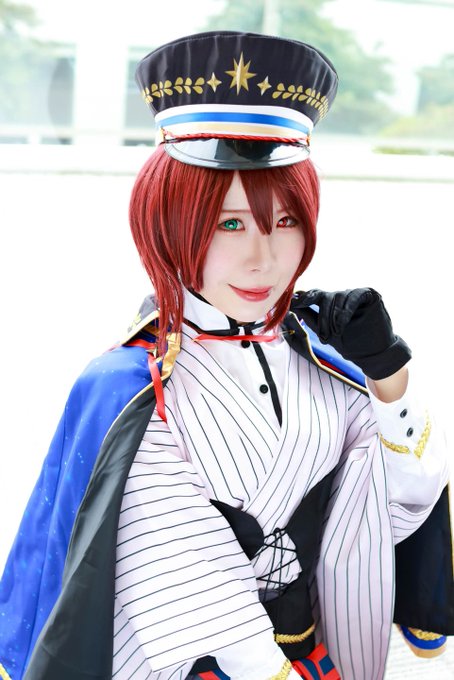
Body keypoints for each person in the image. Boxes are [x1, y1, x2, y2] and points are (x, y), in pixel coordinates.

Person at [0, 30, 453, 680]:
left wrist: (388, 377)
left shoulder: (326, 363)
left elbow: (396, 507)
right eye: (229, 223)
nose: (262, 258)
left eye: (285, 221)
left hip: (313, 654)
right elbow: (193, 585)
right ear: (167, 222)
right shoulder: (130, 388)